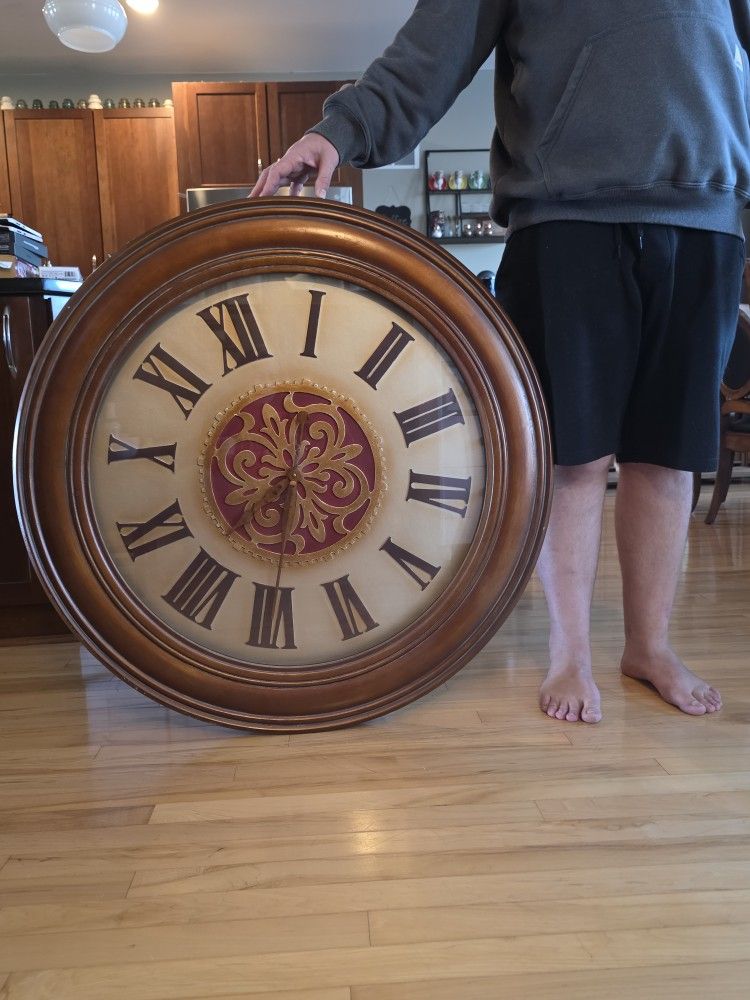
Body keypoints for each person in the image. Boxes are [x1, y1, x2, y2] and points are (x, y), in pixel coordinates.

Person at [251, 0, 750, 723]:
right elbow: (430, 52)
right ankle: (570, 653)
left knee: (669, 456)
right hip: (569, 218)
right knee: (571, 457)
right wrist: (340, 132)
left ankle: (651, 647)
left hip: (708, 218)